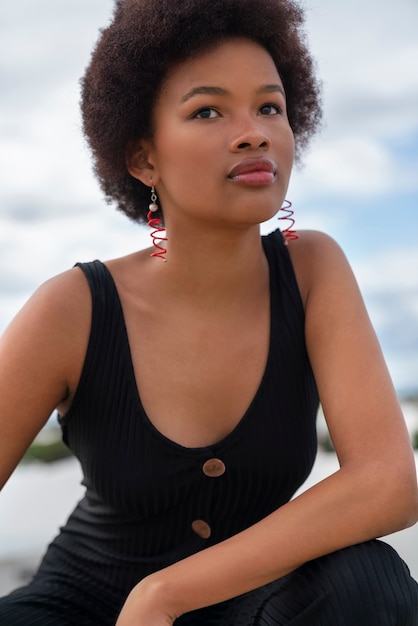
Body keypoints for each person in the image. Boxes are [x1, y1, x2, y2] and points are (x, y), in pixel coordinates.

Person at [0, 0, 417, 623]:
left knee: (367, 579)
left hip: (252, 603)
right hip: (81, 607)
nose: (253, 132)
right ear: (143, 159)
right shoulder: (75, 308)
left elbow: (387, 483)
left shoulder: (312, 270)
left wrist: (162, 595)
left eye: (270, 106)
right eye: (207, 110)